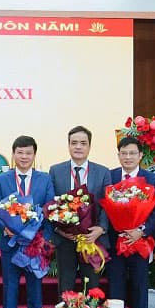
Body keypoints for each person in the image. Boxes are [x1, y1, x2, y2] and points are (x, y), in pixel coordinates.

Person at [0, 135, 55, 308]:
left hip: (35, 245)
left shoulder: (44, 179)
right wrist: (5, 227)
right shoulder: (2, 180)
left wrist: (43, 237)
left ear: (34, 155)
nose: (24, 156)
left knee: (35, 290)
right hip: (10, 244)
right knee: (10, 290)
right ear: (13, 154)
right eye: (20, 152)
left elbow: (50, 209)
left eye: (28, 153)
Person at [107, 136, 155, 308]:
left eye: (132, 153)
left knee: (140, 286)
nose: (128, 157)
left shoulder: (153, 180)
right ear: (118, 155)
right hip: (116, 242)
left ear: (140, 155)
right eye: (123, 153)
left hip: (140, 242)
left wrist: (141, 230)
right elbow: (104, 206)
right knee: (116, 286)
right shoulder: (110, 176)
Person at [48, 125, 111, 295]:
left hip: (92, 239)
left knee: (92, 288)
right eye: (74, 143)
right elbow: (50, 203)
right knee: (65, 287)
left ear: (89, 146)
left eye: (83, 143)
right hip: (65, 239)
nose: (78, 147)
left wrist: (101, 228)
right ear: (68, 145)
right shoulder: (55, 171)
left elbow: (108, 204)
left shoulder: (103, 172)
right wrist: (59, 229)